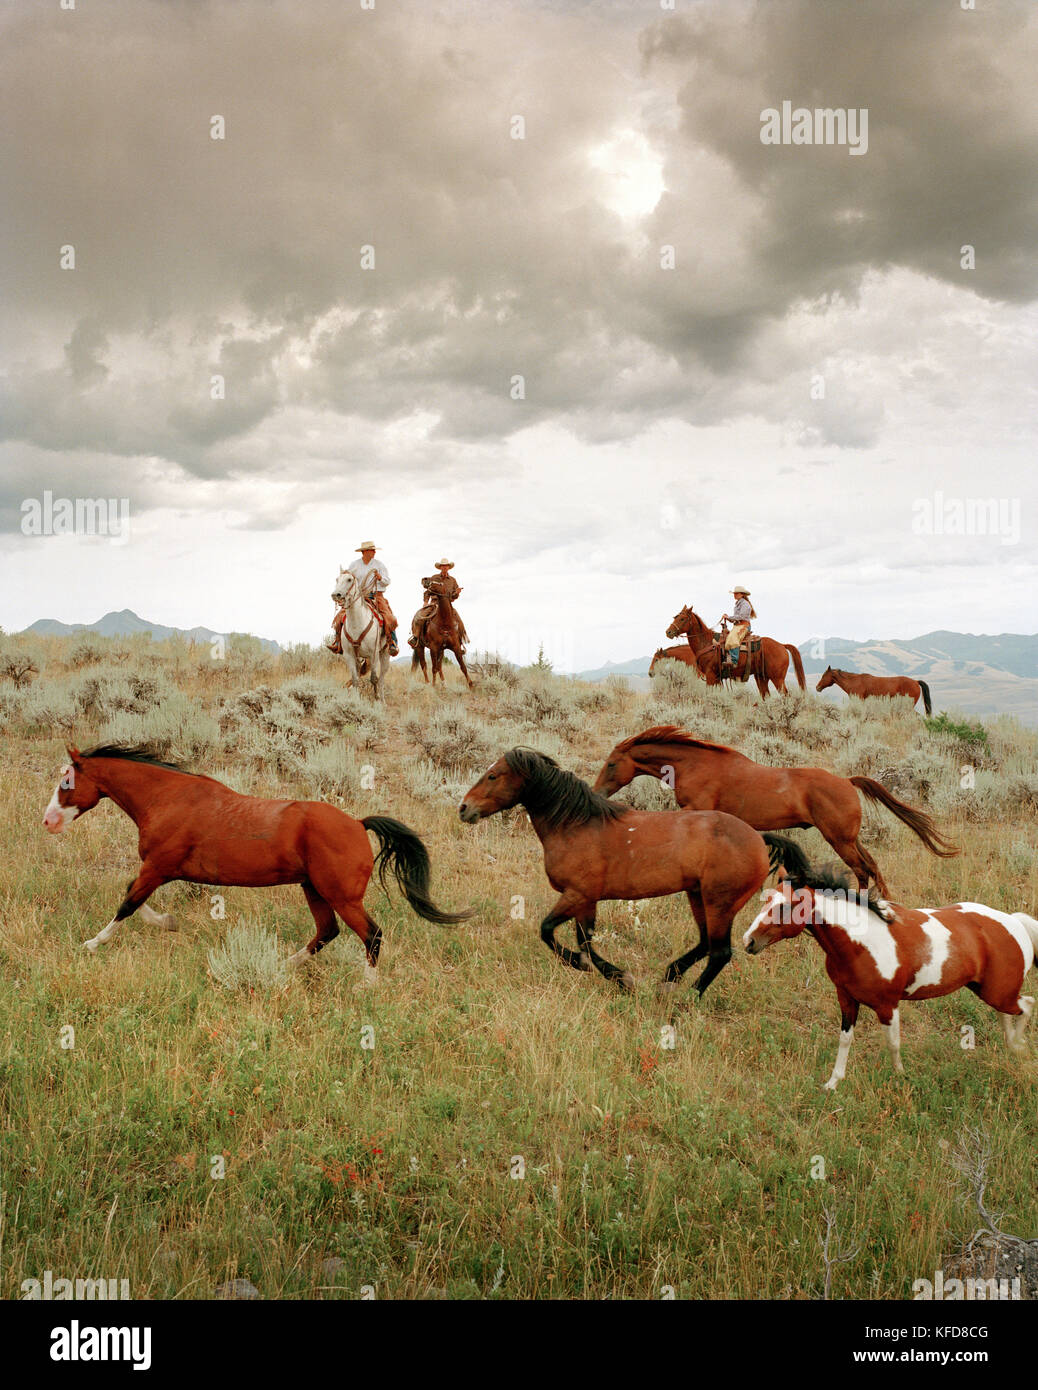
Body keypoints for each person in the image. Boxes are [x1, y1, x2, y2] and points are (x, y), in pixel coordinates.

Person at [327, 542, 399, 656]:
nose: (374, 552)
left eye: (374, 550)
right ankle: (338, 642)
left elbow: (387, 581)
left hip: (376, 596)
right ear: (364, 552)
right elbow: (348, 580)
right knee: (338, 619)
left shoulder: (379, 565)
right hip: (357, 597)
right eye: (372, 550)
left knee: (390, 618)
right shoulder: (354, 565)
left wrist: (380, 578)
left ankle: (392, 643)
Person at [408, 558, 468, 651]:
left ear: (448, 567)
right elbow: (427, 591)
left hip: (447, 605)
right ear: (440, 567)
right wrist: (425, 602)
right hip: (434, 603)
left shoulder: (452, 580)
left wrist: (457, 593)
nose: (444, 567)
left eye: (446, 566)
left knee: (459, 621)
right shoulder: (434, 578)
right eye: (443, 566)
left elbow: (453, 596)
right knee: (420, 616)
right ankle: (416, 637)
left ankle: (459, 643)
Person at [720, 585, 756, 671]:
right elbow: (736, 618)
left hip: (744, 626)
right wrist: (728, 618)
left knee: (733, 638)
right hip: (737, 625)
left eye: (736, 593)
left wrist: (729, 617)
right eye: (734, 593)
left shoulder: (745, 605)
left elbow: (740, 616)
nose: (734, 595)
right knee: (726, 637)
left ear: (742, 594)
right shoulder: (738, 604)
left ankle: (734, 660)